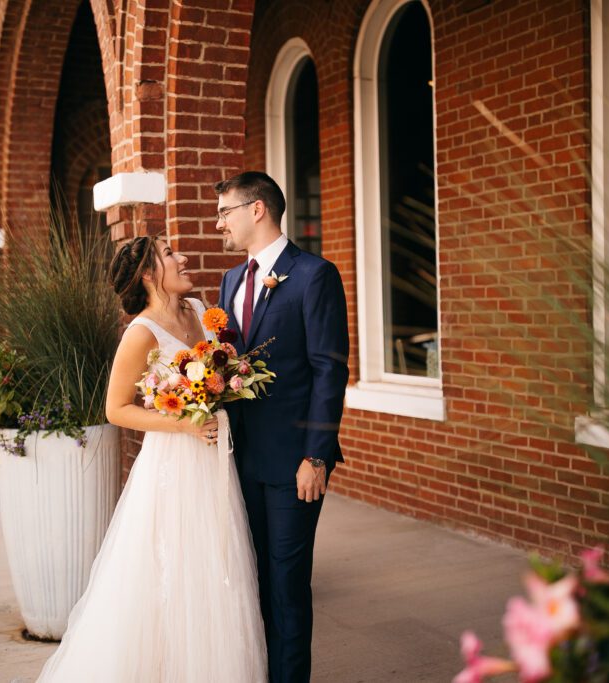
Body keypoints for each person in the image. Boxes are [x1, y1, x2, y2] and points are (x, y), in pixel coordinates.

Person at [36, 235, 266, 682]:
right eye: (169, 255)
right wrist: (184, 423)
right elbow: (116, 409)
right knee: (172, 567)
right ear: (148, 275)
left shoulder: (201, 312)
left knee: (220, 566)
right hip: (174, 465)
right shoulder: (140, 333)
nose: (182, 258)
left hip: (215, 459)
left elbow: (222, 371)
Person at [215, 171, 350, 682]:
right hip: (240, 459)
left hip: (295, 462)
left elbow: (328, 370)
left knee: (288, 584)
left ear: (257, 210)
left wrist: (316, 455)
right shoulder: (231, 280)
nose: (219, 223)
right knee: (256, 581)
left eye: (225, 211)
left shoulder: (315, 275)